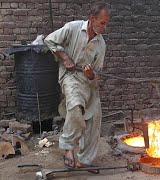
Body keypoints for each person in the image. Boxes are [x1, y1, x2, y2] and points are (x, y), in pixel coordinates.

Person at [44, 2, 110, 173]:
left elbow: (97, 77)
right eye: (102, 23)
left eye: (106, 23)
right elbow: (49, 40)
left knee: (95, 117)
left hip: (88, 83)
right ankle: (68, 149)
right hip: (70, 77)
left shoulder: (101, 45)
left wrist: (91, 76)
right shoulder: (73, 28)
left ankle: (84, 160)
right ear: (92, 19)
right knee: (75, 107)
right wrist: (65, 57)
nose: (104, 27)